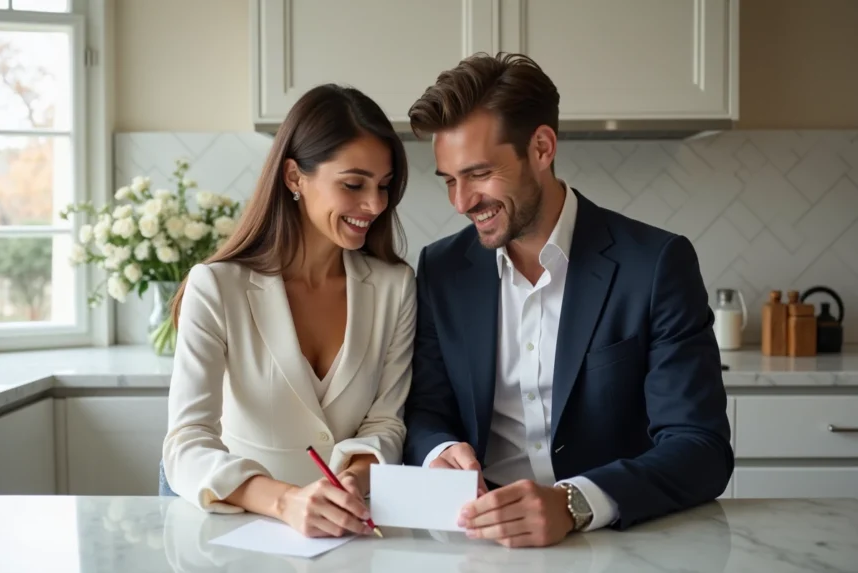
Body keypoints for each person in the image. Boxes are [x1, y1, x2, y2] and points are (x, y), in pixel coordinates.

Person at [402, 53, 734, 548]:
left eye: (479, 174)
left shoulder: (656, 263)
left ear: (541, 147)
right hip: (479, 544)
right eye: (450, 180)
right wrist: (439, 450)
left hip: (617, 543)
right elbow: (425, 409)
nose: (461, 202)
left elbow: (700, 447)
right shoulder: (442, 269)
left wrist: (575, 503)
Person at [162, 84, 416, 539]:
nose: (376, 205)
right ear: (295, 177)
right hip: (239, 537)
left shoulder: (394, 287)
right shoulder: (217, 286)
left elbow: (386, 421)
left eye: (384, 186)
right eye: (353, 184)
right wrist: (284, 501)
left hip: (348, 533)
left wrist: (349, 484)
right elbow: (186, 443)